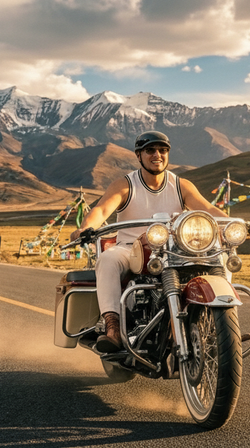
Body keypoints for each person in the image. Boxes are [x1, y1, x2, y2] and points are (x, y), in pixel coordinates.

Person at [70, 131, 228, 353]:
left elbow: (208, 209)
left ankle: (223, 323)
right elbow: (102, 209)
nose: (157, 155)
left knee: (219, 256)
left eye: (163, 150)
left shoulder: (181, 185)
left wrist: (231, 224)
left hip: (175, 250)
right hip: (131, 249)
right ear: (138, 155)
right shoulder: (125, 185)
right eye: (150, 150)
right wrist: (86, 227)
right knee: (107, 259)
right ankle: (113, 327)